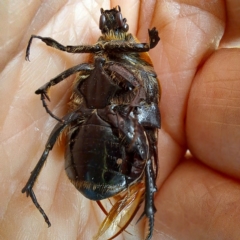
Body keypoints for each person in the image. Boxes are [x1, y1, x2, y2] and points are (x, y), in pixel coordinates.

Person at [0, 1, 239, 239]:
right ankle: (31, 184)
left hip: (103, 161)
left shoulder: (135, 75)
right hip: (99, 162)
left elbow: (147, 128)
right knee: (85, 103)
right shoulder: (99, 66)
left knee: (131, 145)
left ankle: (148, 210)